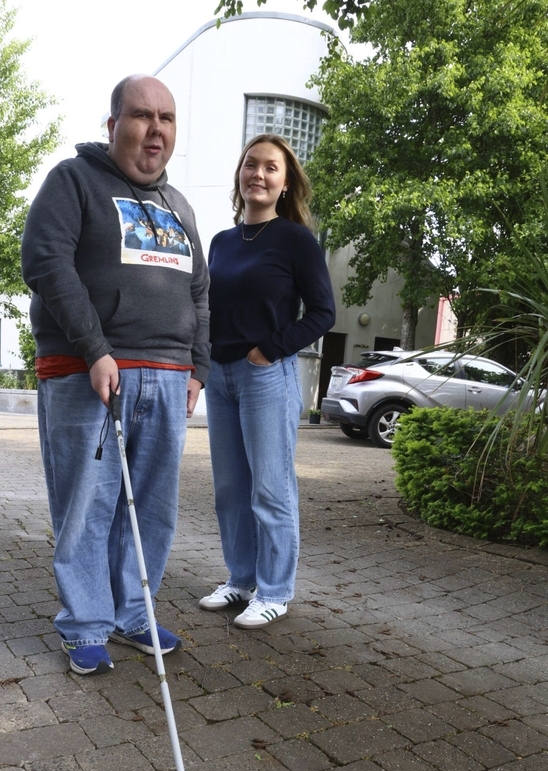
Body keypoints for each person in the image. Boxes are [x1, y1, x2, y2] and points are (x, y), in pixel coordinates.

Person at [21, 75, 209, 675]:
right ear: (113, 125)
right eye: (142, 115)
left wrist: (198, 368)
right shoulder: (73, 181)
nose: (156, 129)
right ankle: (84, 625)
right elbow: (45, 262)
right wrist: (94, 348)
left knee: (150, 509)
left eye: (167, 118)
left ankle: (134, 613)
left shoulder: (179, 206)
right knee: (89, 505)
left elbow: (200, 293)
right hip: (90, 370)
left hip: (168, 376)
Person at [200, 134, 335, 628]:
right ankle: (241, 579)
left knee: (271, 488)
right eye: (250, 164)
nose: (258, 174)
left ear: (285, 183)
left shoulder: (296, 239)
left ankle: (275, 591)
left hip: (265, 376)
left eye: (270, 167)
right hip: (220, 377)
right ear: (240, 174)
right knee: (231, 488)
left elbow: (323, 313)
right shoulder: (222, 242)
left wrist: (270, 349)